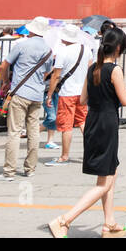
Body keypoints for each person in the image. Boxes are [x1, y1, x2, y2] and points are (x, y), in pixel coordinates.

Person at [49, 27, 126, 237]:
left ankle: (109, 223)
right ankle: (64, 220)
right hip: (107, 123)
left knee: (109, 174)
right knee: (104, 183)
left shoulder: (93, 69)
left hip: (93, 121)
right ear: (118, 48)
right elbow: (125, 100)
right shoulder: (114, 70)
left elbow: (82, 100)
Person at [0, 16, 53, 181]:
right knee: (33, 131)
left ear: (32, 29)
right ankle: (30, 168)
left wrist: (6, 81)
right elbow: (48, 72)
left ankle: (9, 171)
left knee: (14, 132)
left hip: (20, 93)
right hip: (36, 95)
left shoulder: (22, 45)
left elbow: (4, 65)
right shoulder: (48, 50)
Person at [45, 25, 91, 166]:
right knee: (83, 122)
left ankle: (64, 156)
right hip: (82, 92)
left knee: (66, 126)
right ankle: (91, 154)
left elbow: (56, 75)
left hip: (67, 93)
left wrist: (49, 94)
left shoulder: (63, 52)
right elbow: (89, 69)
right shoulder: (86, 49)